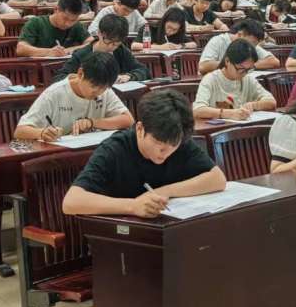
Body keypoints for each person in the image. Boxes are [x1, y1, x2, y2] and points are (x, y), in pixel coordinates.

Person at [61, 90, 226, 218]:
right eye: (158, 144)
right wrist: (133, 206)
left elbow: (217, 179)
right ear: (140, 129)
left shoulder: (177, 137)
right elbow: (71, 202)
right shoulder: (114, 149)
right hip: (121, 234)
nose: (165, 153)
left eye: (172, 146)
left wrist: (164, 191)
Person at [15, 52, 133, 141]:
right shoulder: (54, 93)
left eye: (104, 88)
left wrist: (92, 122)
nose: (98, 92)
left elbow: (128, 120)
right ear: (80, 74)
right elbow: (20, 131)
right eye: (93, 86)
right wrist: (42, 133)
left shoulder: (104, 90)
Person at [193, 40, 277, 119]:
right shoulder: (210, 79)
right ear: (227, 61)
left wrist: (254, 105)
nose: (244, 73)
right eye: (241, 69)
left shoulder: (247, 79)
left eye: (248, 69)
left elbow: (271, 101)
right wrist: (228, 113)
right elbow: (198, 110)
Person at [56, 14, 148, 83]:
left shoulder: (120, 50)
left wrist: (129, 76)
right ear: (99, 33)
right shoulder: (81, 54)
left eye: (116, 43)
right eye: (108, 41)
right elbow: (59, 77)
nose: (111, 46)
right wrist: (84, 79)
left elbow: (143, 70)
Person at [16, 0, 90, 58]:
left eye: (73, 20)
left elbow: (92, 43)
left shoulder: (76, 25)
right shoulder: (35, 23)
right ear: (56, 9)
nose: (68, 24)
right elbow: (21, 49)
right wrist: (49, 52)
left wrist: (70, 50)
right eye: (65, 18)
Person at [198, 18, 278, 74]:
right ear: (240, 35)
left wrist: (249, 65)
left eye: (255, 44)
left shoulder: (250, 45)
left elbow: (274, 61)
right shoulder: (218, 41)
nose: (253, 46)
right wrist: (234, 64)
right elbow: (203, 66)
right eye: (253, 43)